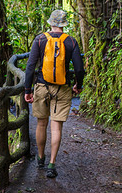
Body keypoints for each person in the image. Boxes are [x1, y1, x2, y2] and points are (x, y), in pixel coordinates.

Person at [24, 9, 85, 178]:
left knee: (41, 124)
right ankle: (52, 164)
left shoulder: (40, 39)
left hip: (42, 86)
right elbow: (79, 68)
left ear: (51, 23)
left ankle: (41, 158)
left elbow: (30, 66)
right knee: (56, 126)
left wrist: (27, 90)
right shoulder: (71, 41)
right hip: (62, 89)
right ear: (64, 25)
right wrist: (78, 85)